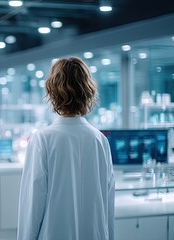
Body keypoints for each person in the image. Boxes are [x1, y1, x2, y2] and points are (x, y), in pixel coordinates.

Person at [17, 57, 115, 240]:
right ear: (88, 92)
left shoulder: (42, 139)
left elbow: (32, 205)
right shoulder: (100, 140)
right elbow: (108, 204)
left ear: (52, 91)